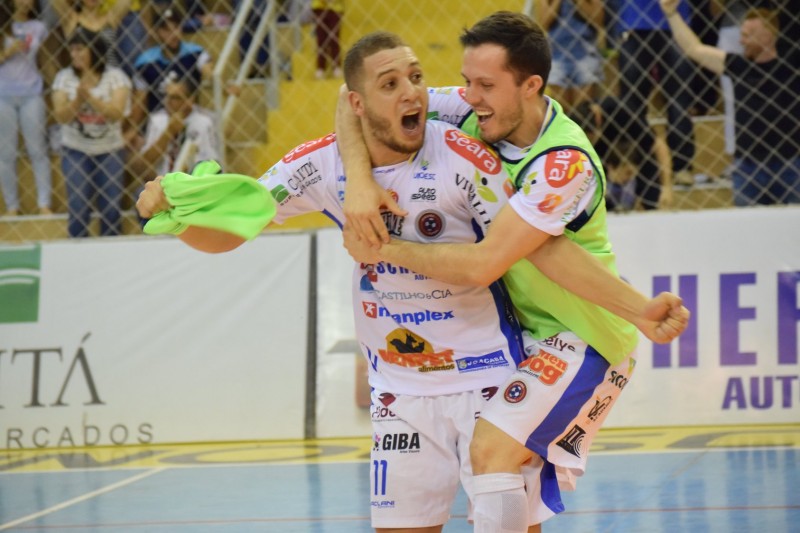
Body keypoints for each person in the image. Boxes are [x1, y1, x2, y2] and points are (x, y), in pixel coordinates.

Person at [137, 30, 688, 533]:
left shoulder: (510, 158)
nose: (444, 94)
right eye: (399, 83)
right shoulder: (459, 112)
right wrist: (179, 217)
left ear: (530, 87)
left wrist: (639, 309)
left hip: (529, 352)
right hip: (403, 388)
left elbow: (508, 258)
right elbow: (242, 220)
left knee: (496, 459)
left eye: (421, 79)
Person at [338, 11, 688, 532]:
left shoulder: (560, 165)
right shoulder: (481, 113)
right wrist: (361, 182)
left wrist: (380, 247)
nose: (467, 96)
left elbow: (485, 264)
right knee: (504, 478)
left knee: (493, 452)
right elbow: (352, 103)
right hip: (526, 338)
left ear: (531, 86)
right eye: (465, 82)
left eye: (484, 85)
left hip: (583, 338)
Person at [660, 0, 799, 205]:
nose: (741, 41)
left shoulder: (791, 67)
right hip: (748, 165)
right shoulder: (738, 65)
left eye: (747, 36)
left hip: (790, 164)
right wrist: (671, 14)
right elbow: (694, 49)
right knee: (746, 232)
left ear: (767, 36)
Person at [52, 27, 131, 237]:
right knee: (78, 207)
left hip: (110, 150)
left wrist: (91, 99)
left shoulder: (116, 77)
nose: (74, 55)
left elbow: (117, 113)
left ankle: (112, 253)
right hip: (75, 149)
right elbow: (60, 116)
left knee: (111, 208)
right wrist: (78, 101)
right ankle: (77, 254)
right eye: (72, 50)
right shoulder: (64, 77)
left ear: (94, 50)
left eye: (80, 49)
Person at [614, 0, 697, 187]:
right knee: (631, 104)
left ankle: (681, 166)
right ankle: (635, 163)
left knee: (679, 100)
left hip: (675, 21)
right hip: (634, 24)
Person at [129, 5, 214, 146]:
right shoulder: (144, 62)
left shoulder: (196, 52)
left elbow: (210, 73)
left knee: (209, 121)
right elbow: (139, 103)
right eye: (166, 30)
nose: (172, 34)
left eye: (176, 27)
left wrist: (223, 86)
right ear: (157, 32)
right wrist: (135, 131)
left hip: (189, 116)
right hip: (159, 120)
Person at [570, 95, 673, 210]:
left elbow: (658, 145)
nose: (590, 141)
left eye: (592, 138)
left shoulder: (622, 111)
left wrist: (667, 187)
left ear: (598, 123)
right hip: (605, 162)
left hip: (638, 157)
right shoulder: (577, 118)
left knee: (651, 199)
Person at [0, 0, 52, 216]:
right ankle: (12, 206)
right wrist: (6, 53)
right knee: (6, 153)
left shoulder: (38, 28)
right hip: (3, 95)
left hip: (32, 92)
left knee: (37, 150)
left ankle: (44, 204)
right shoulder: (3, 27)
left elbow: (47, 60)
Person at [135, 75, 219, 177]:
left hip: (193, 181)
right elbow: (145, 163)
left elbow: (211, 162)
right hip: (163, 182)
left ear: (190, 100)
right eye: (166, 96)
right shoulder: (157, 120)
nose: (168, 101)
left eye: (175, 98)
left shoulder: (203, 123)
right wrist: (168, 132)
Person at [534, 0, 604, 114]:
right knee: (559, 114)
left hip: (585, 54)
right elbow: (544, 22)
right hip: (557, 55)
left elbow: (599, 19)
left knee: (585, 114)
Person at [311, 0, 344, 79]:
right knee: (321, 39)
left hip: (336, 8)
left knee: (334, 39)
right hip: (319, 7)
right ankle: (321, 68)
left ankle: (336, 66)